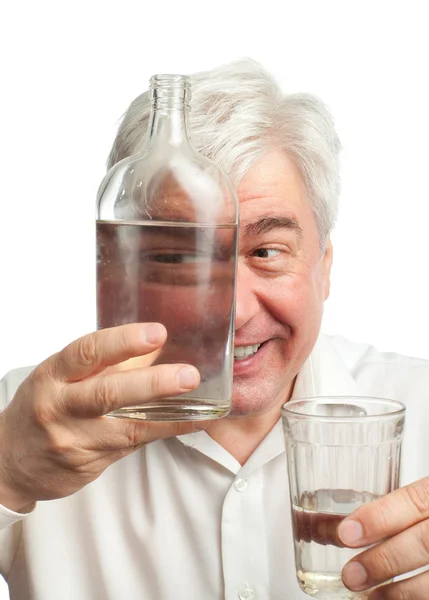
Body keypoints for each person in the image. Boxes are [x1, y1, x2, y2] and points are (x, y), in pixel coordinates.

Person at [0, 58, 428, 600]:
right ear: (125, 270)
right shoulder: (29, 421)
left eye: (267, 251)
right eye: (184, 259)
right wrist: (6, 472)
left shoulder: (423, 409)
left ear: (325, 269)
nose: (232, 311)